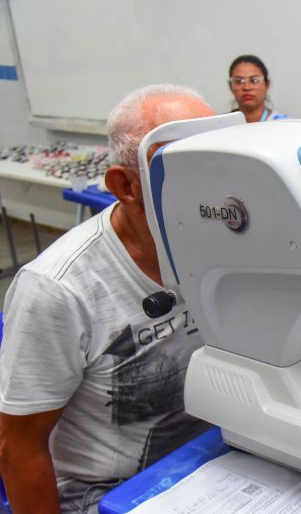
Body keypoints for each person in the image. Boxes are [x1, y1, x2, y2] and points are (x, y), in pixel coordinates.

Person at [0, 84, 216, 513]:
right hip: (107, 492)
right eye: (189, 169)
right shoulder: (58, 289)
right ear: (127, 187)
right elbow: (19, 448)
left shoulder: (220, 243)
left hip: (207, 458)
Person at [228, 54, 288, 123]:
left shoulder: (284, 124)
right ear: (231, 87)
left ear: (266, 85)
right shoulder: (221, 127)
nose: (246, 87)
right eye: (239, 81)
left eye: (254, 80)